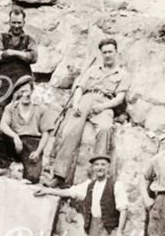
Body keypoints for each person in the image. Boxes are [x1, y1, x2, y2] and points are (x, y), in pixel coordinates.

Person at [49, 37, 128, 186]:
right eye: (104, 52)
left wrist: (103, 107)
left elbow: (119, 98)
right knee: (69, 131)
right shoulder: (92, 70)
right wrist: (76, 102)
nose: (108, 55)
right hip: (86, 99)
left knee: (105, 129)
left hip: (105, 103)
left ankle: (97, 180)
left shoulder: (122, 74)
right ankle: (59, 175)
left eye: (110, 51)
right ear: (101, 54)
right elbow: (79, 87)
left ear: (116, 52)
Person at [0, 7, 37, 161]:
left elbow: (33, 56)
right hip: (3, 81)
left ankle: (18, 155)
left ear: (24, 22)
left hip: (23, 82)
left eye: (19, 23)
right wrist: (21, 55)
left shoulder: (29, 39)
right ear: (9, 22)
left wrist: (13, 53)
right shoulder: (1, 37)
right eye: (14, 22)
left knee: (21, 116)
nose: (17, 26)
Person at [0, 76, 50, 184]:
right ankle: (4, 166)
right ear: (17, 93)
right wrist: (15, 137)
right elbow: (3, 125)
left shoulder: (41, 109)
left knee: (32, 179)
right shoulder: (11, 108)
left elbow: (46, 134)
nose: (25, 94)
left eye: (27, 91)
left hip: (32, 144)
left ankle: (26, 168)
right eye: (22, 91)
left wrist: (38, 152)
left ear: (32, 91)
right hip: (16, 143)